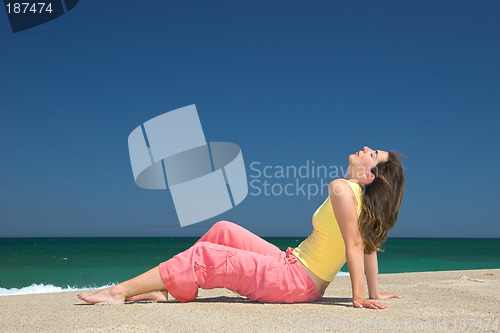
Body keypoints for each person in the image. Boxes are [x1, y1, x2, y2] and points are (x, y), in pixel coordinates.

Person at [78, 146, 405, 309]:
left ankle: (117, 292)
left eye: (372, 153)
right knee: (223, 230)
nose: (365, 148)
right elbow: (369, 245)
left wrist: (359, 298)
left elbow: (355, 246)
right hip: (291, 265)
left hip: (294, 280)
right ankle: (163, 288)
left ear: (368, 176)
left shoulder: (342, 189)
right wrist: (374, 292)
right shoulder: (358, 199)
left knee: (205, 255)